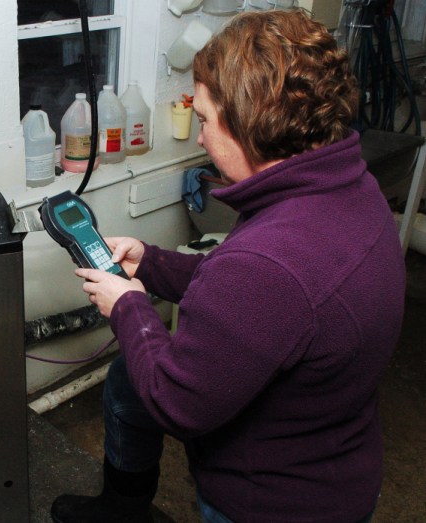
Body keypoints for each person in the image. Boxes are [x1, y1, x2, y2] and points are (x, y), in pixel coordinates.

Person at [50, 9, 406, 523]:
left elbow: (178, 402)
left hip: (271, 504)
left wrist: (128, 306)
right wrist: (150, 263)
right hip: (336, 459)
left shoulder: (268, 264)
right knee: (131, 376)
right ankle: (123, 507)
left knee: (146, 375)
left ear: (250, 122)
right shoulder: (349, 190)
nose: (199, 139)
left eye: (205, 120)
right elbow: (263, 305)